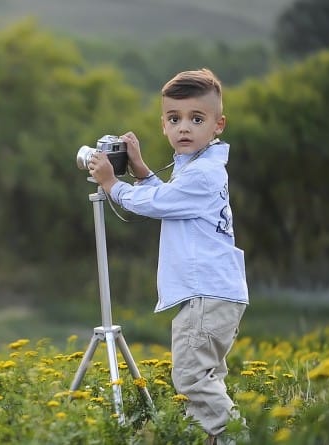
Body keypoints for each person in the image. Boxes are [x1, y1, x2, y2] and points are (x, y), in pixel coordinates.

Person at [87, 68, 248, 445]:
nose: (184, 128)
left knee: (192, 378)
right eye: (174, 119)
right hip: (214, 292)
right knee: (205, 378)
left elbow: (156, 204)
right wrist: (141, 170)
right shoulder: (197, 168)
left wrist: (112, 184)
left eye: (197, 119)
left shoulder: (202, 175)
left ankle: (236, 437)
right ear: (163, 125)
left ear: (218, 125)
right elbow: (169, 200)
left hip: (205, 293)